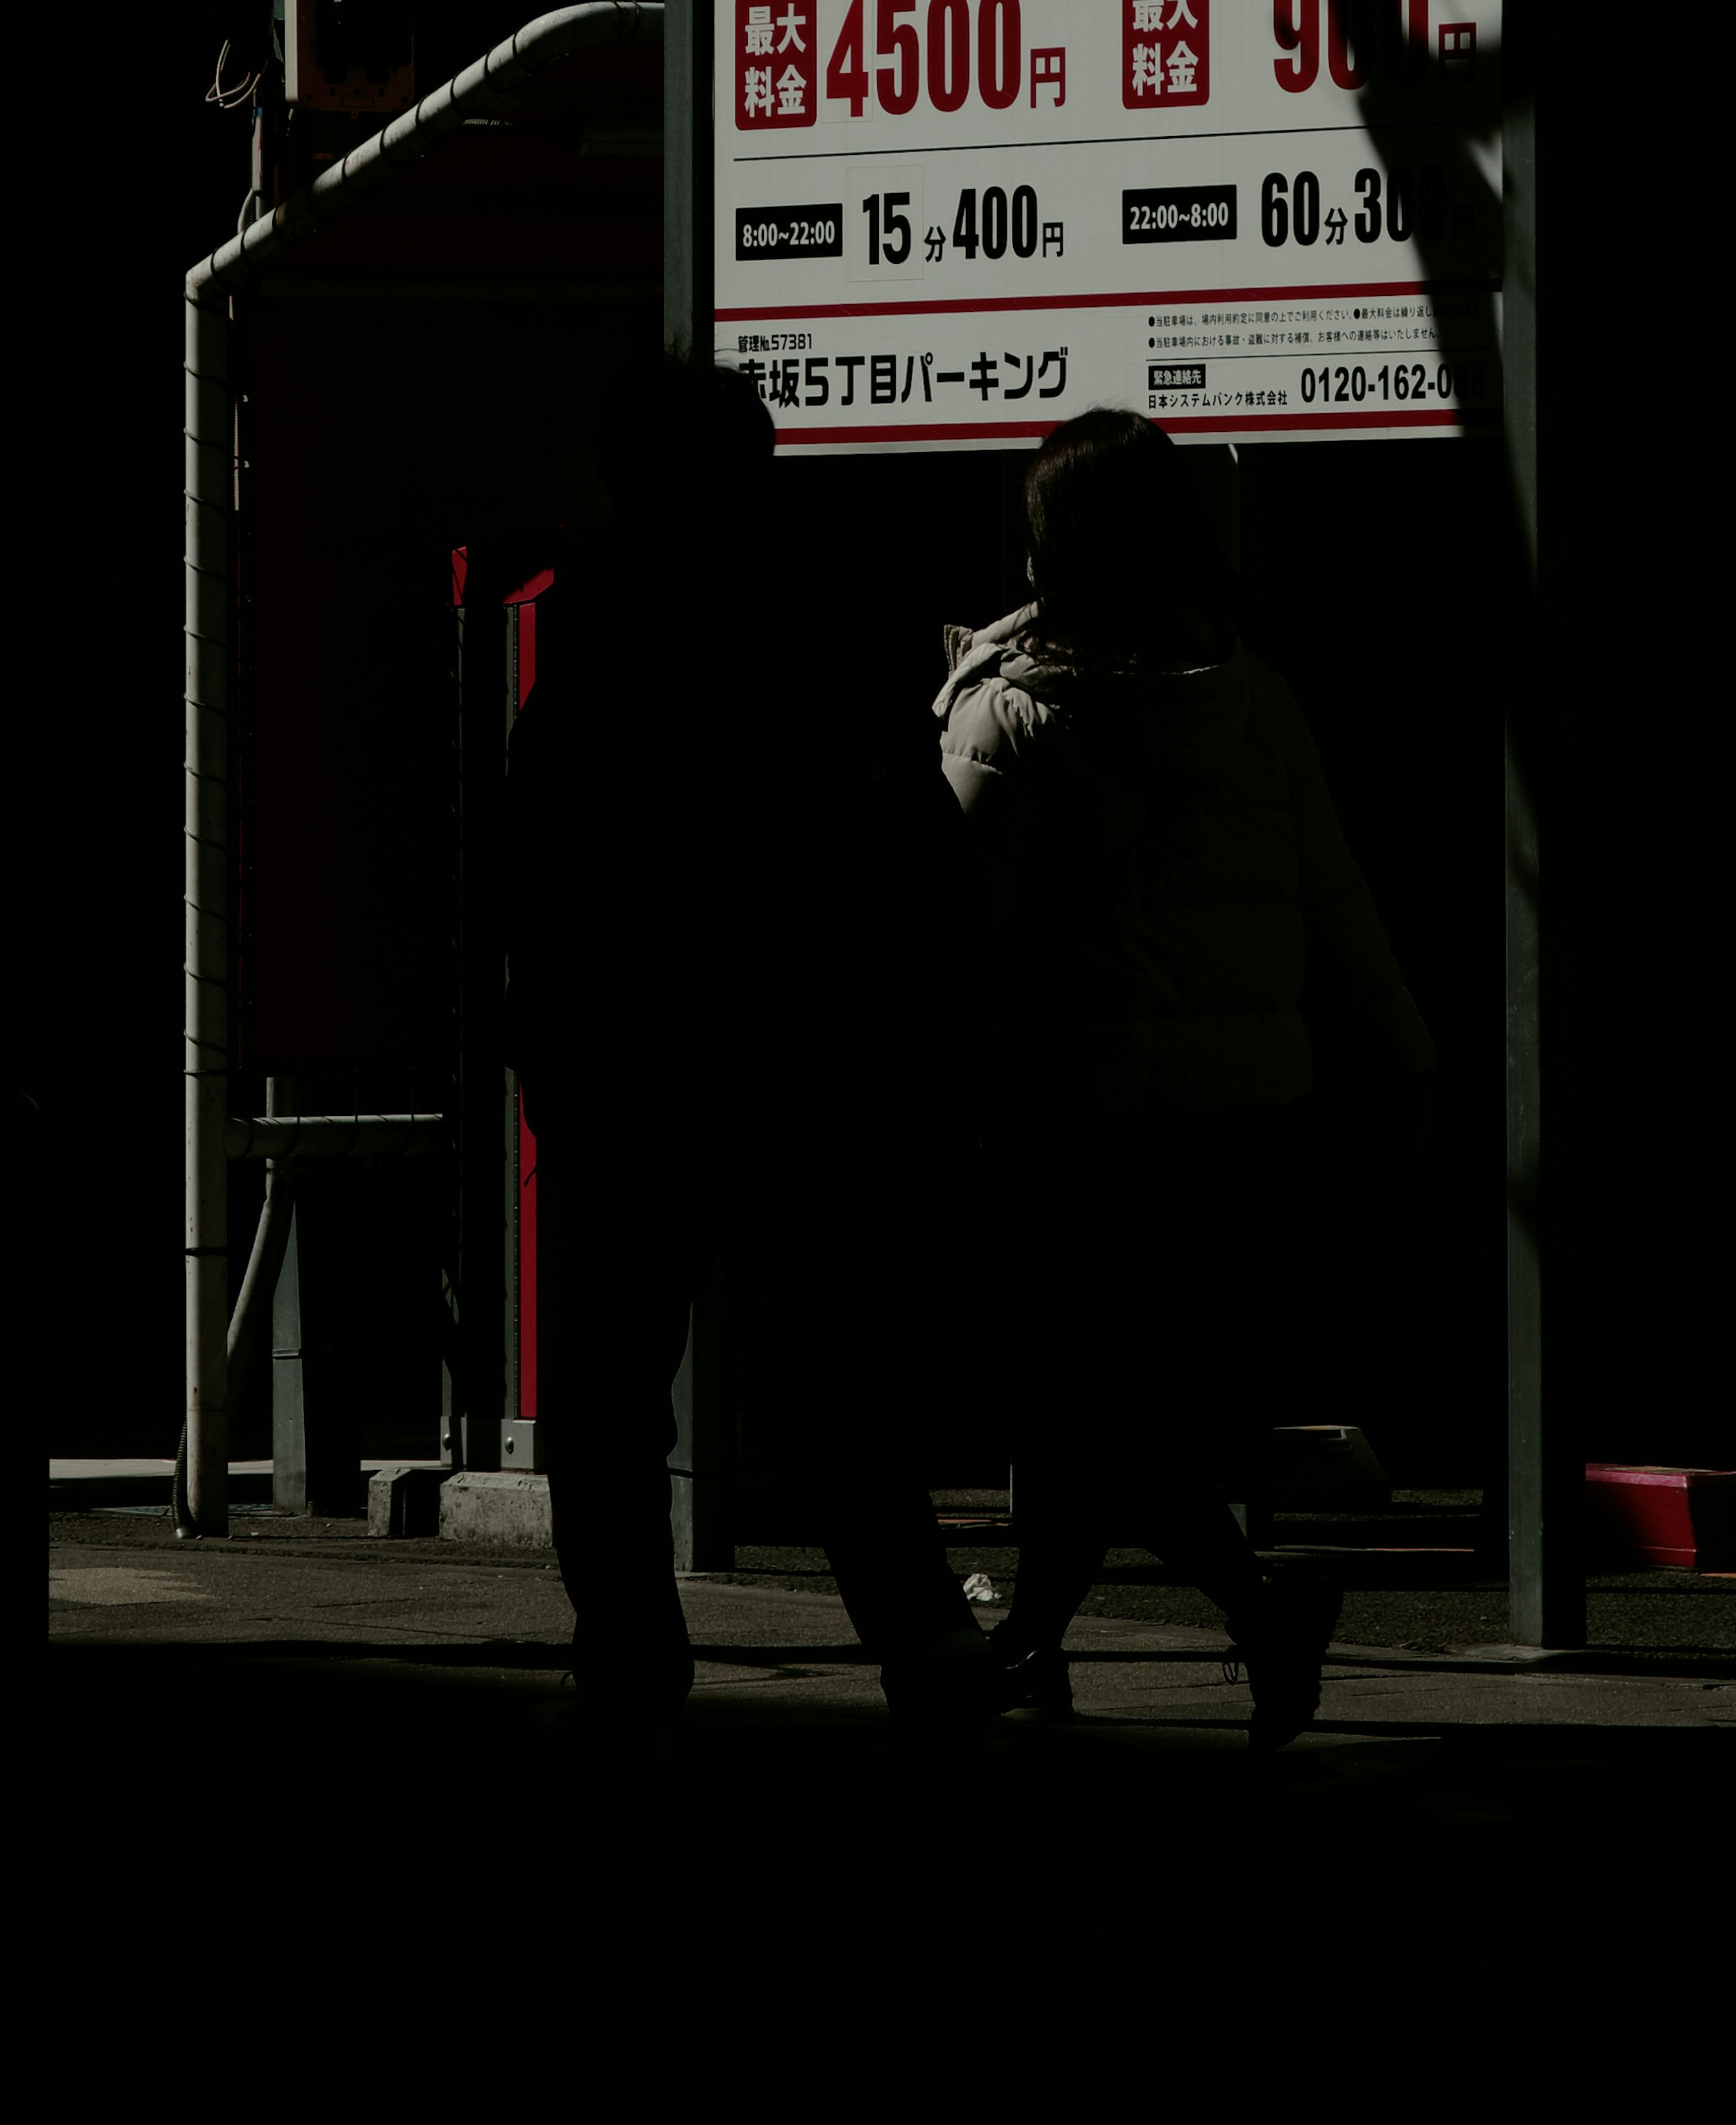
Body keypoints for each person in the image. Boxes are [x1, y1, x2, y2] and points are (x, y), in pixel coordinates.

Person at [504, 346, 990, 1774]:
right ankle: (928, 1649)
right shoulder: (827, 622)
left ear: (621, 468)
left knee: (604, 1392)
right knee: (831, 1370)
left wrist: (549, 1036)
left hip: (634, 1060)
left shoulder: (599, 625)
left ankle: (632, 1670)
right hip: (812, 1058)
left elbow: (543, 868)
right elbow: (918, 859)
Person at [935, 406, 1437, 1749]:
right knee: (1122, 1396)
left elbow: (954, 925)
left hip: (1066, 1114)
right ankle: (1036, 1640)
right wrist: (1405, 1052)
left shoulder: (1016, 713)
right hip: (1231, 1116)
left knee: (1075, 1402)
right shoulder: (1250, 696)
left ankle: (1255, 1605)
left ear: (1051, 550)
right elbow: (1334, 896)